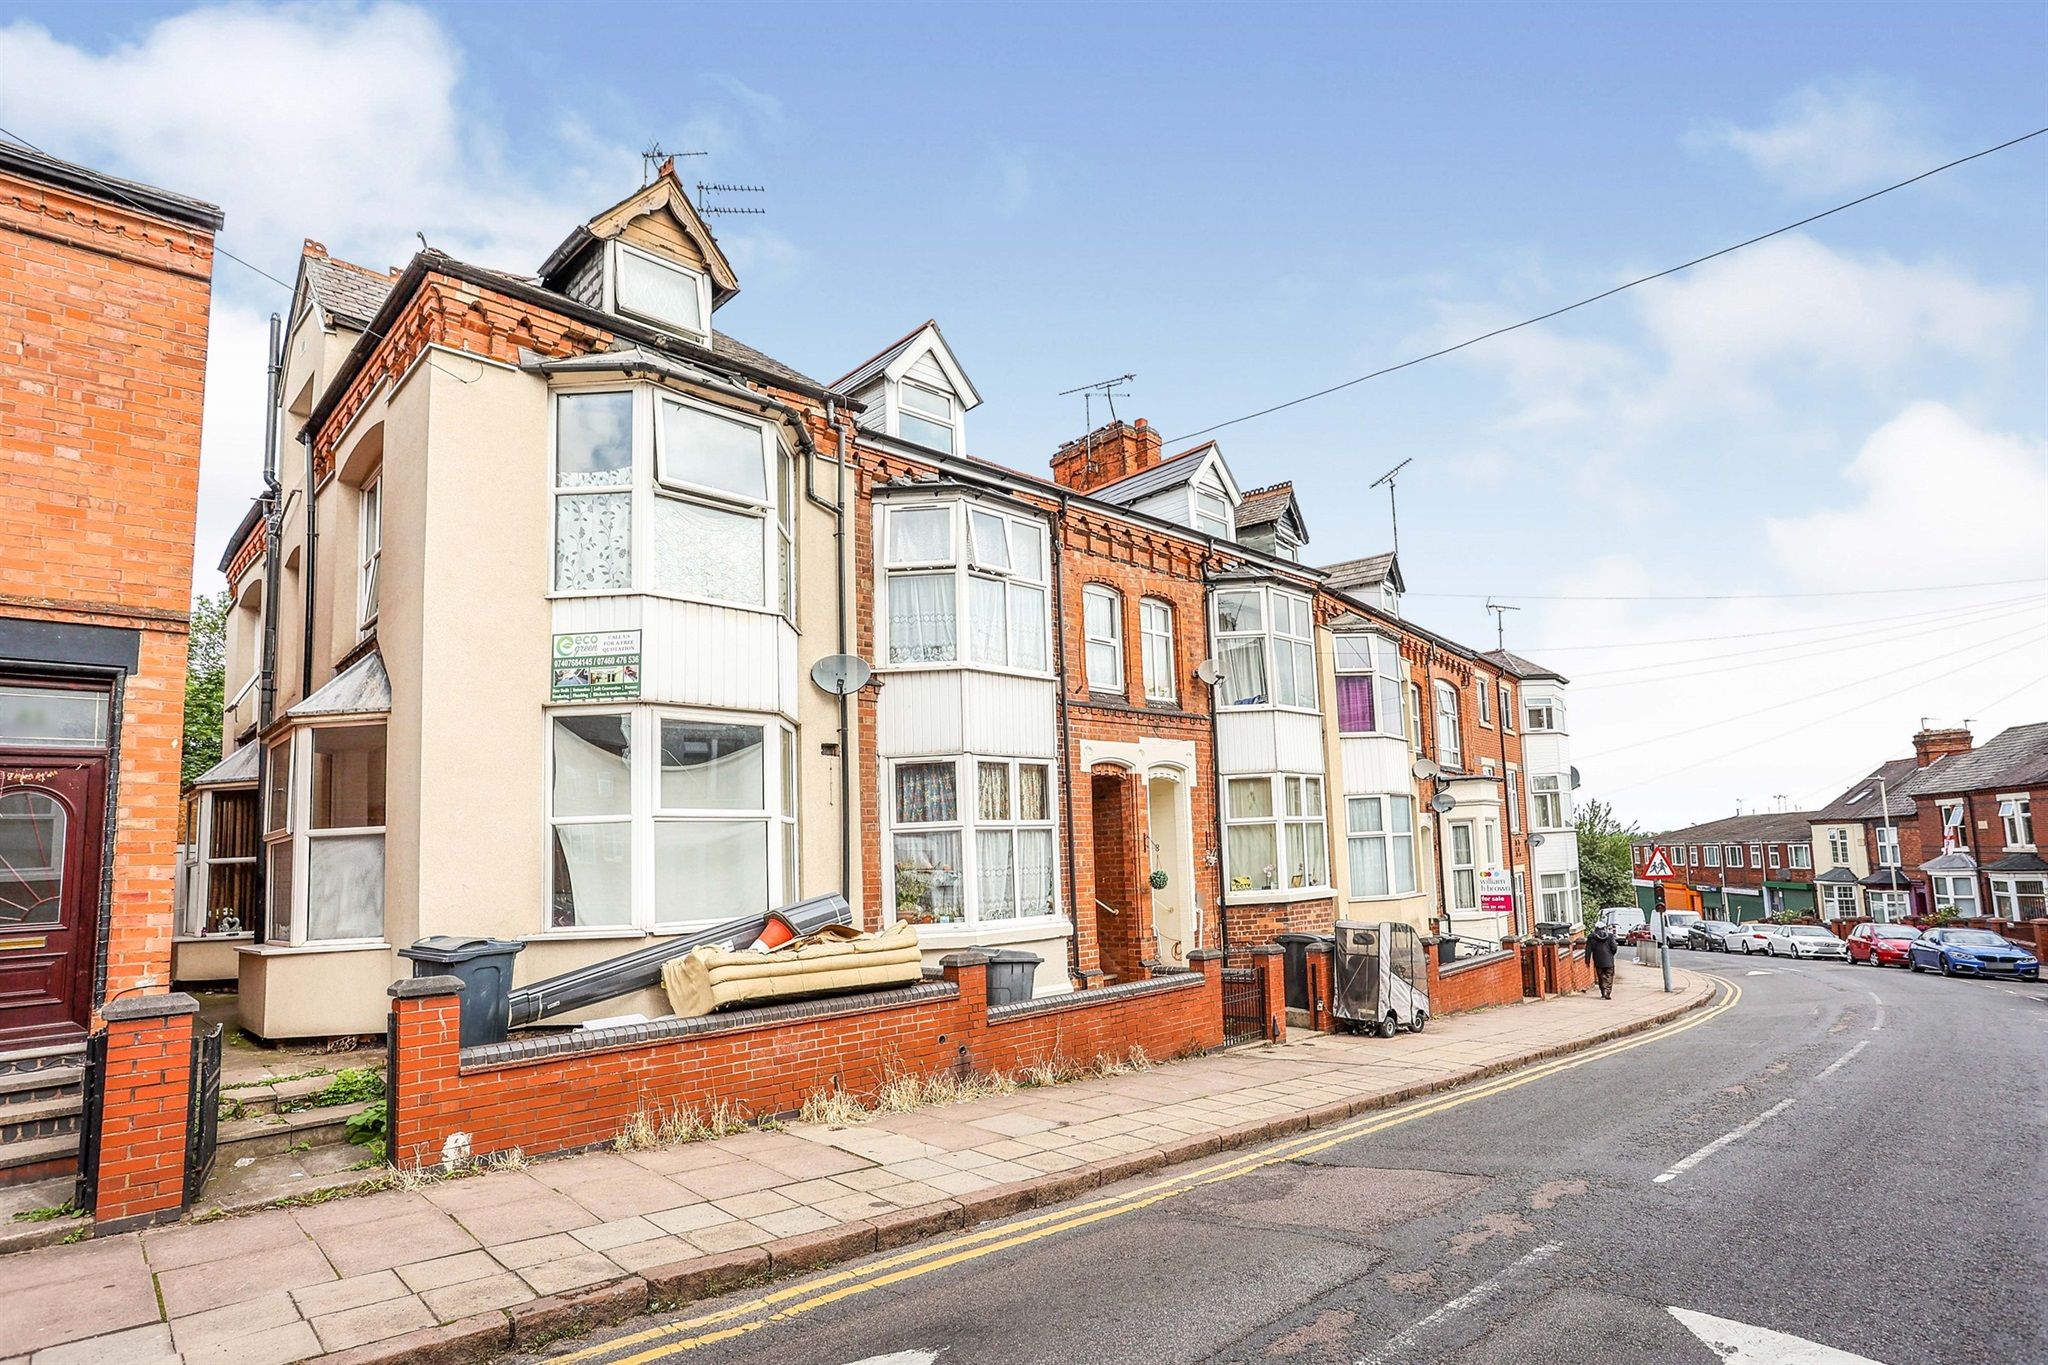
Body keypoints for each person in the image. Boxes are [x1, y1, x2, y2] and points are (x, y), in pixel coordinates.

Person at [1587, 922, 1619, 999]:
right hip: (1609, 960)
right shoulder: (1610, 936)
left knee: (1601, 976)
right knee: (1609, 977)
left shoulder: (1591, 937)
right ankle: (1607, 992)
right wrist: (1611, 955)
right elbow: (1614, 947)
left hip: (1598, 960)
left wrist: (1587, 960)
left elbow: (1588, 950)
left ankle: (1603, 991)